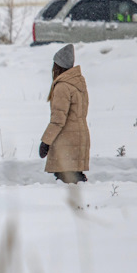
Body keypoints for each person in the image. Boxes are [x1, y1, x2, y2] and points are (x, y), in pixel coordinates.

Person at [39, 43, 90, 184]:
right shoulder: (78, 84)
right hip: (79, 138)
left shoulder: (63, 86)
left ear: (58, 66)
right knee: (75, 180)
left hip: (67, 142)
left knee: (66, 182)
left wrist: (45, 141)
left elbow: (58, 120)